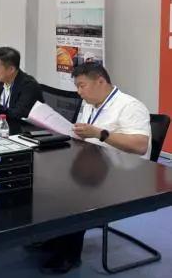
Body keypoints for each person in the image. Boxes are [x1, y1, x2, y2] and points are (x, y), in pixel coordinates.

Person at [40, 63, 151, 274]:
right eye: (77, 87)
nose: (79, 92)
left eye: (82, 86)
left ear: (100, 81)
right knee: (49, 179)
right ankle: (56, 236)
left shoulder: (130, 106)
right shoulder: (89, 104)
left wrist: (100, 133)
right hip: (94, 165)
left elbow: (140, 145)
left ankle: (69, 254)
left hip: (124, 173)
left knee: (75, 192)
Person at [0, 47, 43, 134]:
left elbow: (17, 114)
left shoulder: (29, 86)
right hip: (0, 126)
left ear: (11, 69)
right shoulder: (1, 81)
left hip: (19, 132)